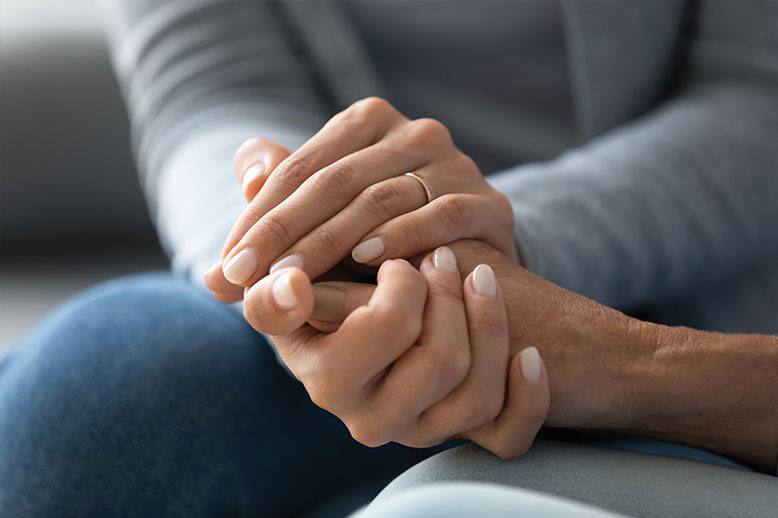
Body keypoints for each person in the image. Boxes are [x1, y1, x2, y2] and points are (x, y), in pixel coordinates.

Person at [1, 0, 776, 516]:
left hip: (678, 287)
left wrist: (501, 240)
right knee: (98, 397)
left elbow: (758, 96)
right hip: (359, 289)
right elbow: (211, 86)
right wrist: (289, 259)